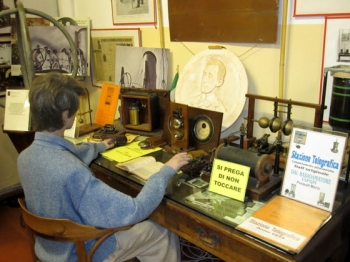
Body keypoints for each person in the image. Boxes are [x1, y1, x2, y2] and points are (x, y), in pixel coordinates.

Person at [17, 72, 191, 262]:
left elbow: (61, 157)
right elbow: (134, 210)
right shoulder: (73, 172)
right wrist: (166, 170)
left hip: (49, 249)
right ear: (65, 115)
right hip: (82, 252)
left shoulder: (25, 158)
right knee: (162, 232)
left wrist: (99, 146)